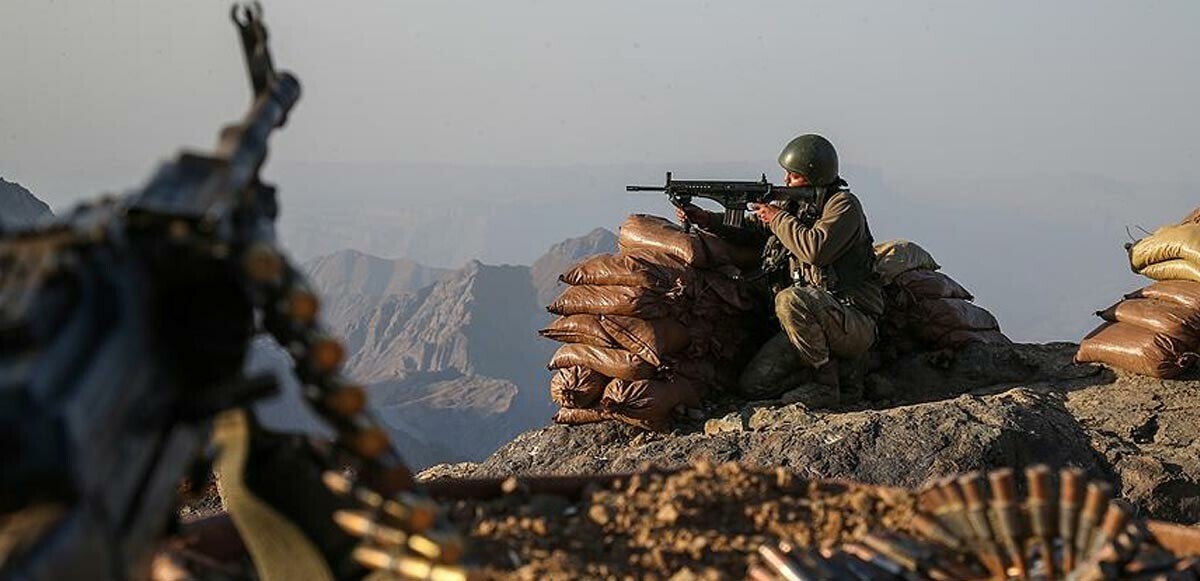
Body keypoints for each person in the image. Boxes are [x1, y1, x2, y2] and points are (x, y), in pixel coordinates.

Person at [676, 134, 883, 406]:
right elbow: (755, 229)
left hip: (851, 319)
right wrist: (709, 219)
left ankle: (826, 386)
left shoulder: (843, 206)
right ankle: (839, 375)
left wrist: (777, 217)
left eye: (794, 176)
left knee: (789, 299)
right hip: (808, 323)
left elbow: (815, 249)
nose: (786, 181)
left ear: (815, 176)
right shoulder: (795, 205)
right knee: (754, 385)